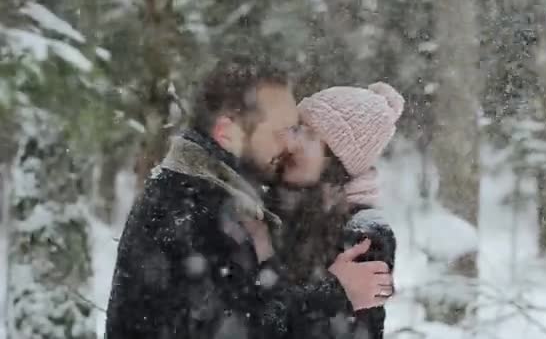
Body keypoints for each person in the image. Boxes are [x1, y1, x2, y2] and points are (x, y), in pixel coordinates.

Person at [105, 56, 392, 339]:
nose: (291, 144)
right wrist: (337, 295)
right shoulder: (197, 208)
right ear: (227, 133)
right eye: (284, 131)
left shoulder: (213, 197)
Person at [266, 82, 404, 339]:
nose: (288, 140)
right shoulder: (269, 202)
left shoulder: (362, 233)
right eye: (294, 127)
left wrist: (331, 294)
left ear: (335, 162)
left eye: (306, 134)